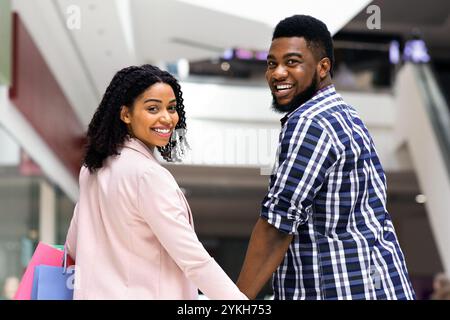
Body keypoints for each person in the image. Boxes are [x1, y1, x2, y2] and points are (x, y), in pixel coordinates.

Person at [237, 15, 416, 300]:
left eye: (292, 62)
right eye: (272, 63)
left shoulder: (311, 122)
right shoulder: (345, 115)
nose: (277, 73)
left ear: (323, 67)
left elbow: (277, 227)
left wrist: (234, 301)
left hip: (341, 289)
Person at [65, 64, 247, 300]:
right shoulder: (148, 176)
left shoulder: (92, 171)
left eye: (172, 108)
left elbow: (72, 246)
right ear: (126, 114)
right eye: (153, 108)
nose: (167, 118)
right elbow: (194, 260)